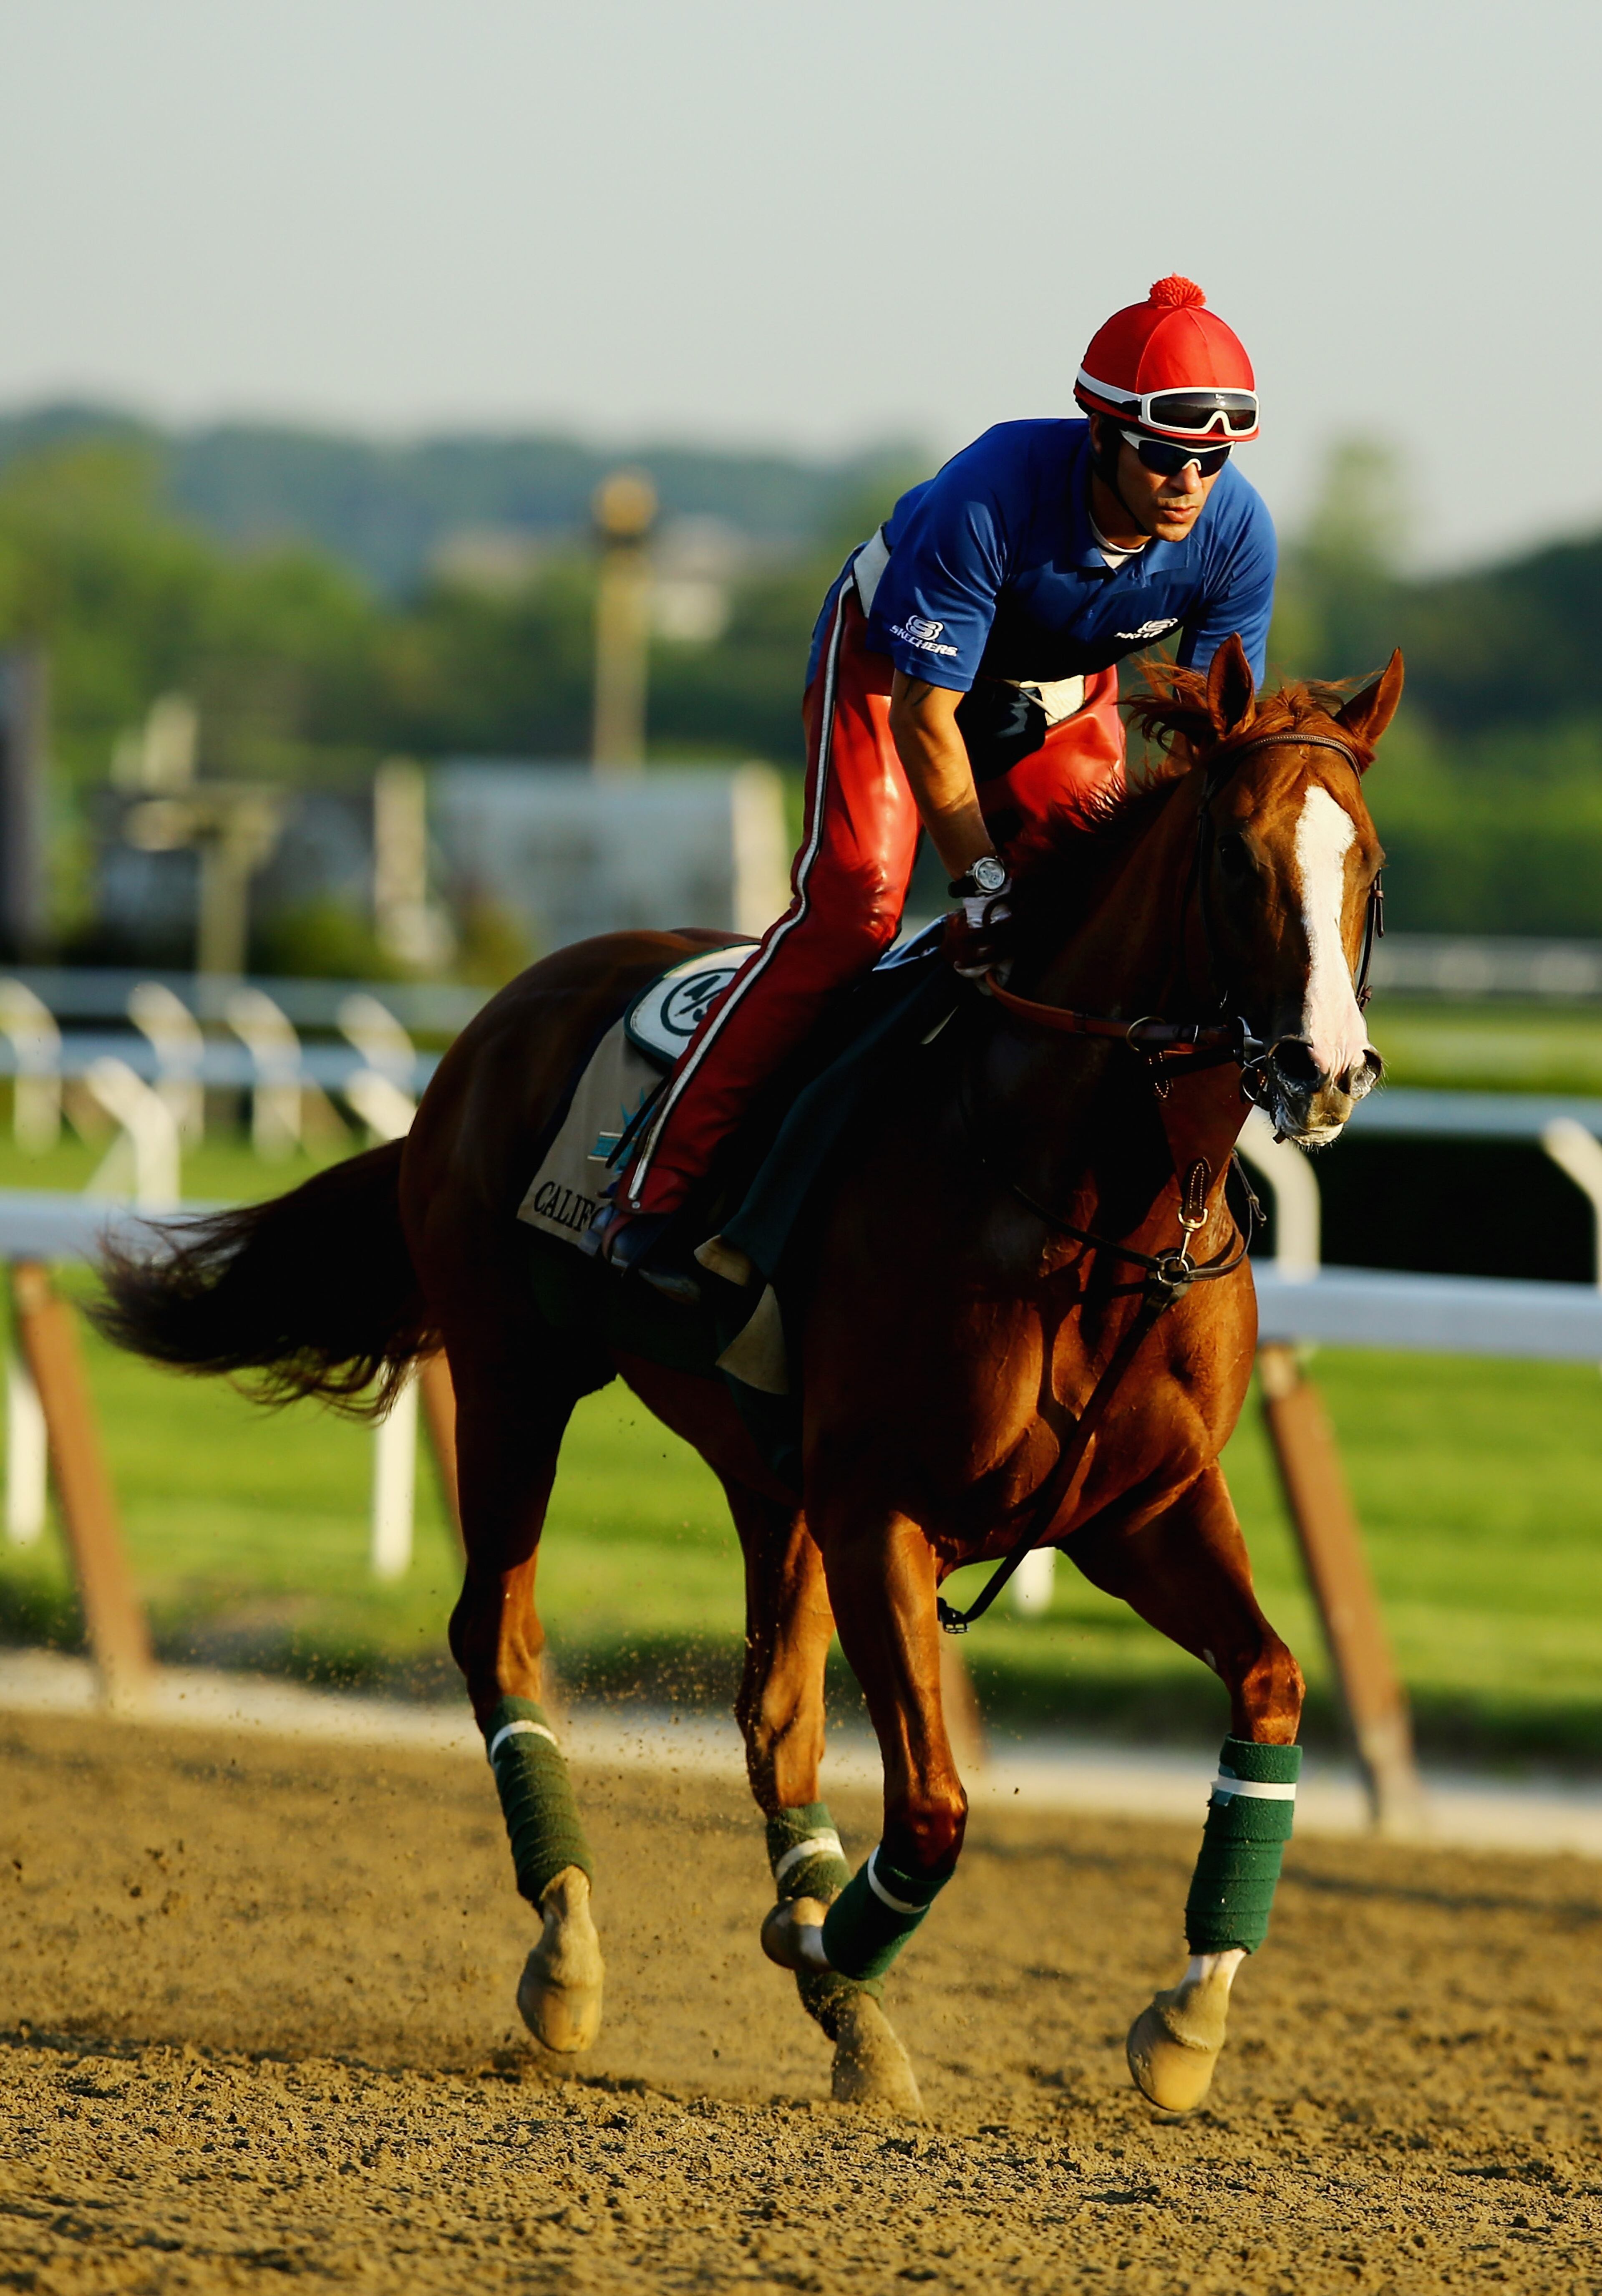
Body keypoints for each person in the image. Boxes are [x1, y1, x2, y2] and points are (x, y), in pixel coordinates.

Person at [594, 275, 1276, 1276]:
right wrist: (986, 884)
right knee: (855, 913)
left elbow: (1205, 748)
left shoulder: (1236, 532)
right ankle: (657, 1191)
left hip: (1054, 686)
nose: (1191, 484)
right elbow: (927, 716)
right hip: (894, 670)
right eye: (1167, 456)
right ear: (1099, 434)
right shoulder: (994, 488)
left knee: (1097, 920)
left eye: (1213, 462)